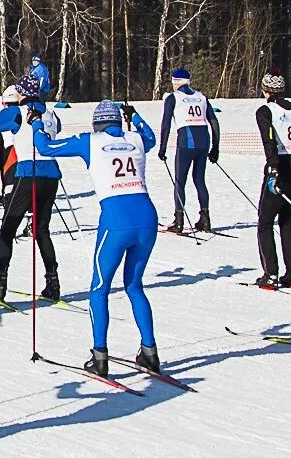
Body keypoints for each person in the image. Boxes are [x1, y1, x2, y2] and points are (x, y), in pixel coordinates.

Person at [45, 100, 160, 377]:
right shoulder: (136, 138)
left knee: (99, 287)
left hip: (116, 221)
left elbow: (46, 148)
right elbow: (152, 137)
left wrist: (37, 125)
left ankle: (100, 357)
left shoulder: (91, 141)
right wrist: (136, 115)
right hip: (147, 218)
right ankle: (150, 352)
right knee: (134, 285)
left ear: (97, 124)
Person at [0, 74, 65, 304]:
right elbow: (54, 128)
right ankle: (53, 283)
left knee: (7, 228)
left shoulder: (17, 113)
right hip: (51, 175)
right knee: (42, 230)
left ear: (22, 93)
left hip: (27, 173)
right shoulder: (50, 113)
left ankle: (0, 283)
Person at [254, 70, 291, 290]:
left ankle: (271, 274)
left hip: (280, 169)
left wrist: (273, 167)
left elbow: (268, 140)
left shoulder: (265, 111)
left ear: (265, 90)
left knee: (265, 222)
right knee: (287, 222)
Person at [157, 68, 219, 233]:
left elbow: (166, 124)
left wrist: (162, 148)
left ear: (176, 81)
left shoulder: (173, 98)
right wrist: (215, 147)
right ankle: (205, 219)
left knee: (180, 182)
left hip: (186, 143)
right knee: (199, 180)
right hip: (204, 143)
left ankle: (179, 220)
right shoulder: (201, 97)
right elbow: (214, 122)